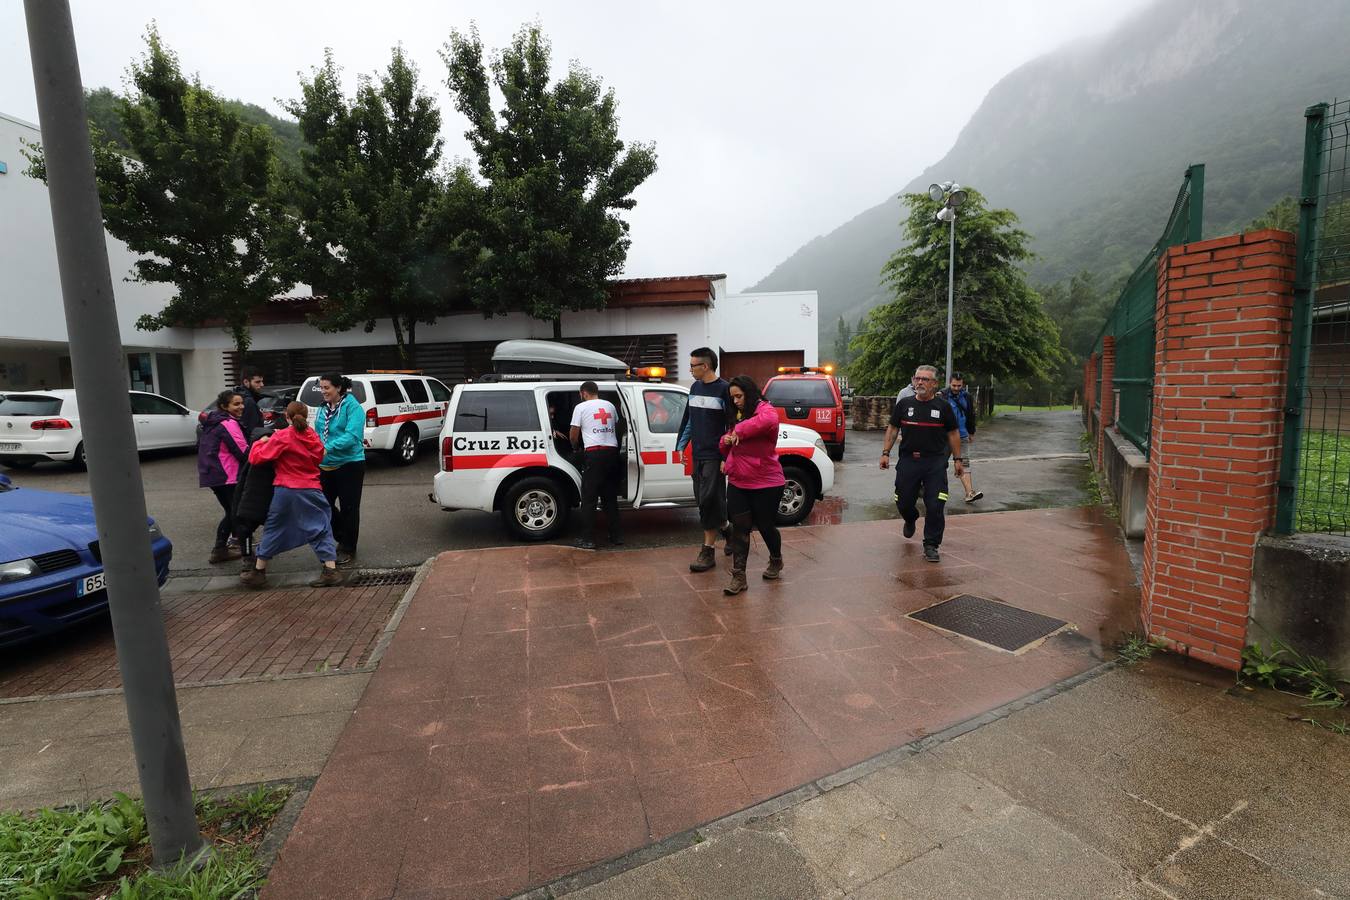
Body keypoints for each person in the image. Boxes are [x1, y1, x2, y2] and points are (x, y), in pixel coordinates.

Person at [240, 402, 341, 589]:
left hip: (285, 490)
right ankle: (330, 570)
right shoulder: (313, 437)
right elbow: (320, 457)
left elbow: (257, 458)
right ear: (306, 417)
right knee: (320, 527)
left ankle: (259, 572)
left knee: (274, 528)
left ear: (287, 417)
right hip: (311, 488)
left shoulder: (283, 436)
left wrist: (258, 443)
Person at [880, 364, 964, 563]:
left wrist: (958, 460)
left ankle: (931, 544)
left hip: (935, 462)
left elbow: (953, 434)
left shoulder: (943, 407)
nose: (919, 382)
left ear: (934, 384)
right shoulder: (904, 404)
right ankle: (910, 518)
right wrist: (885, 453)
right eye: (917, 378)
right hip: (909, 460)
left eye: (925, 379)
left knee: (936, 504)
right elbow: (892, 429)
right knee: (903, 501)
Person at [719, 375, 786, 595]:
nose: (735, 401)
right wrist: (726, 440)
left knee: (766, 526)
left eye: (739, 396)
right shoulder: (739, 415)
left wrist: (738, 431)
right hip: (739, 480)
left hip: (766, 480)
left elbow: (769, 421)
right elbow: (726, 441)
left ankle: (776, 559)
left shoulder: (764, 410)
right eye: (733, 398)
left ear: (750, 393)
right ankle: (739, 577)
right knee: (740, 528)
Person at [676, 347, 732, 572]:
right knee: (704, 500)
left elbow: (731, 426)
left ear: (705, 366)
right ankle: (729, 531)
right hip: (698, 454)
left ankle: (707, 552)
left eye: (692, 365)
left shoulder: (724, 390)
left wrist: (726, 457)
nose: (690, 369)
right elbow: (689, 420)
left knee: (709, 500)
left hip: (715, 456)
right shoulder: (695, 388)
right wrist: (681, 445)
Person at [314, 372, 365, 566]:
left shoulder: (353, 408)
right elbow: (318, 431)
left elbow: (352, 436)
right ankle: (342, 535)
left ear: (339, 388)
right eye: (321, 387)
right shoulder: (323, 408)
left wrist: (327, 448)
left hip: (349, 463)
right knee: (323, 504)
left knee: (349, 508)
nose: (323, 391)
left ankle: (348, 547)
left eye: (326, 387)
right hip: (325, 465)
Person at [197, 390, 249, 564]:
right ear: (224, 407)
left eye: (241, 403)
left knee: (231, 512)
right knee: (240, 515)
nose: (241, 406)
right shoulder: (228, 423)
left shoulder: (213, 422)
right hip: (228, 475)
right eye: (236, 404)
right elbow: (242, 451)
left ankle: (220, 550)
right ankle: (249, 558)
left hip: (213, 475)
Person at [569, 381, 622, 550]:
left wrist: (575, 448)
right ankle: (616, 536)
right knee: (610, 498)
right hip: (611, 454)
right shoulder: (610, 406)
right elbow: (616, 426)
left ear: (583, 393)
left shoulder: (581, 407)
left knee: (589, 499)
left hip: (594, 454)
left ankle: (588, 539)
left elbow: (574, 433)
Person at [941, 372, 983, 503]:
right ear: (949, 383)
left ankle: (969, 493)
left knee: (964, 463)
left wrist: (971, 432)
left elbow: (971, 415)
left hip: (962, 435)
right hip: (944, 436)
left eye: (959, 386)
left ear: (962, 384)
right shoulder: (942, 396)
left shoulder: (967, 396)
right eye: (954, 385)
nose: (956, 388)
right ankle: (929, 489)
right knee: (938, 464)